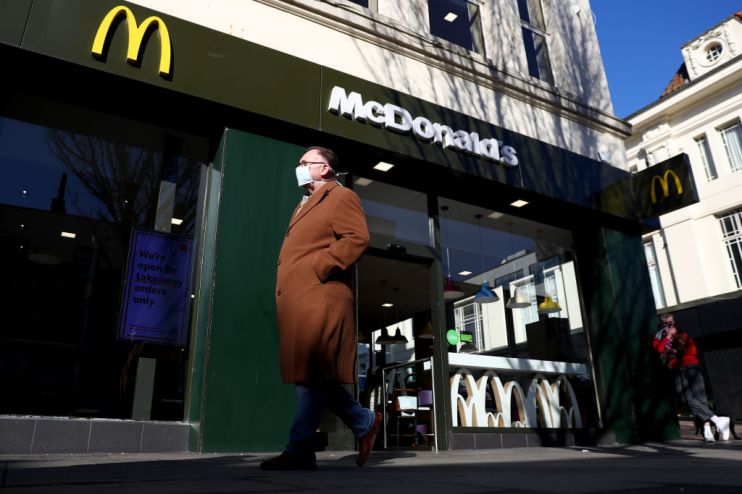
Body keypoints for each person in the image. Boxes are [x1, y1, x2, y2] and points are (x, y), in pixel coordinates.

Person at [260, 146, 382, 471]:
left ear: (325, 169)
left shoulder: (340, 196)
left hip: (322, 296)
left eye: (305, 163)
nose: (299, 167)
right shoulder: (305, 202)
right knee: (312, 373)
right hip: (304, 297)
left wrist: (319, 266)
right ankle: (363, 421)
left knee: (310, 373)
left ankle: (300, 449)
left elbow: (357, 238)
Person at [653, 312, 730, 442]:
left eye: (671, 322)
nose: (669, 325)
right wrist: (668, 337)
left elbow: (692, 351)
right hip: (677, 369)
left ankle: (707, 428)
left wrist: (676, 350)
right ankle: (719, 421)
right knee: (685, 398)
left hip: (691, 366)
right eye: (665, 323)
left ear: (674, 321)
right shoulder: (659, 336)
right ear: (661, 324)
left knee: (700, 398)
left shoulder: (682, 333)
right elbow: (659, 349)